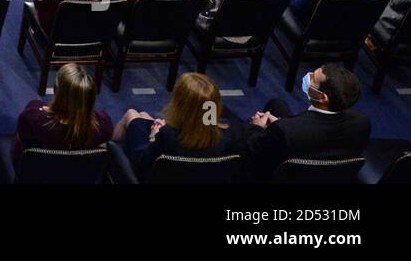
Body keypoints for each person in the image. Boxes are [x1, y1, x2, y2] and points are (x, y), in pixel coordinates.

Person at [235, 64, 370, 179]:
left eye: (313, 79)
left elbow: (254, 152)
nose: (308, 77)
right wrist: (284, 124)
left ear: (323, 98)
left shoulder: (285, 131)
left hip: (285, 177)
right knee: (277, 104)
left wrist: (256, 128)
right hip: (329, 176)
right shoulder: (362, 122)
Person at [0, 63, 111, 169]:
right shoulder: (104, 124)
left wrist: (47, 112)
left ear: (56, 91)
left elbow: (19, 145)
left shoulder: (33, 117)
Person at [114, 72, 233, 178]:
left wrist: (153, 137)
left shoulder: (167, 136)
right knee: (144, 115)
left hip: (153, 175)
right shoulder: (228, 137)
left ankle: (101, 150)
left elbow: (141, 162)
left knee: (131, 114)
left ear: (181, 105)